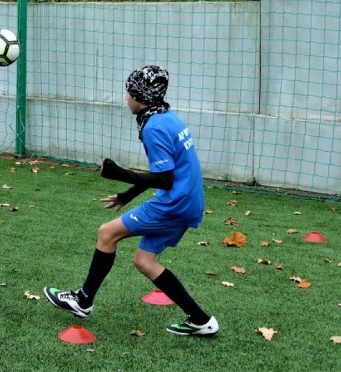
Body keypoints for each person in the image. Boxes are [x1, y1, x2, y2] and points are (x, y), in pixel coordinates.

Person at [43, 65, 218, 336]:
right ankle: (200, 320)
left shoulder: (154, 127)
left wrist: (118, 174)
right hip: (189, 201)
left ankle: (83, 300)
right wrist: (127, 195)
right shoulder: (168, 117)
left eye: (130, 92)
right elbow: (164, 174)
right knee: (144, 261)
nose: (126, 97)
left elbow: (164, 178)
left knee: (107, 233)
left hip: (174, 203)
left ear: (142, 96)